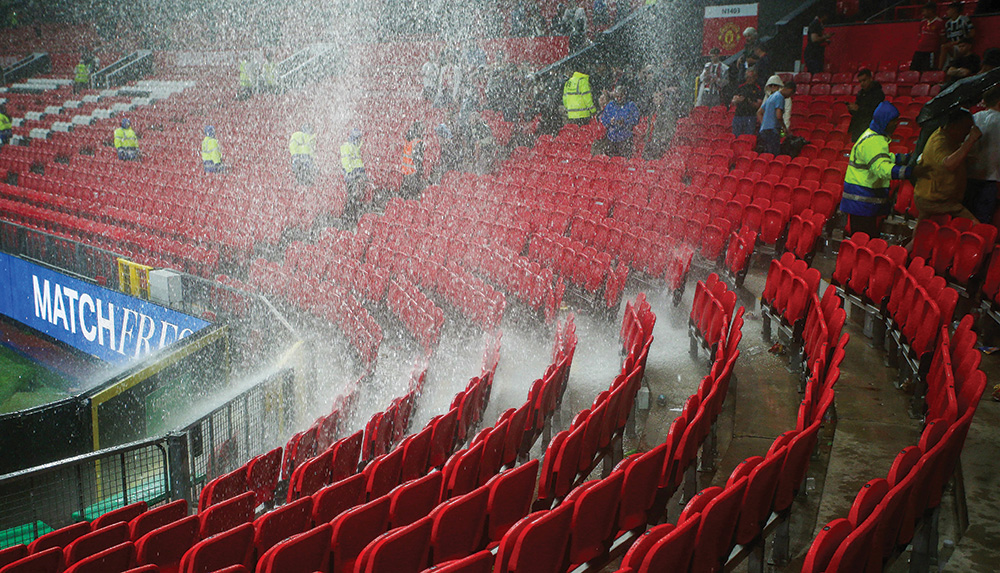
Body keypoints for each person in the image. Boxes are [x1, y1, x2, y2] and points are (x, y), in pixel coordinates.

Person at [840, 102, 916, 237]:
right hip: (864, 203)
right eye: (893, 121)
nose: (896, 125)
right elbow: (881, 168)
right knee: (865, 242)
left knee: (861, 241)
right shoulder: (874, 141)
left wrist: (900, 158)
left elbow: (876, 158)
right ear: (885, 121)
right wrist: (909, 171)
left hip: (861, 203)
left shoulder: (870, 135)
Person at [914, 108, 980, 220]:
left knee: (924, 229)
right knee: (975, 226)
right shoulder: (939, 141)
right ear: (955, 126)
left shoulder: (950, 138)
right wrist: (971, 140)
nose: (968, 132)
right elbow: (949, 165)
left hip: (938, 196)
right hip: (935, 200)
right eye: (966, 128)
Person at [965, 86, 1000, 223]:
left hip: (968, 176)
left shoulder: (974, 117)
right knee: (982, 221)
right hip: (991, 178)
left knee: (964, 219)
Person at [598, 86, 639, 157]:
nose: (619, 98)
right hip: (611, 138)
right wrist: (610, 121)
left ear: (624, 95)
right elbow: (603, 119)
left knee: (624, 160)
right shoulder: (610, 105)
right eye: (617, 96)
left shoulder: (630, 105)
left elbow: (636, 119)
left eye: (621, 96)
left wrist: (625, 122)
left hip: (625, 138)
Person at [756, 80, 795, 155]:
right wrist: (784, 127)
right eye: (791, 94)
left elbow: (759, 112)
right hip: (773, 131)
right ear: (789, 89)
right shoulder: (780, 98)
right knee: (774, 153)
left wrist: (764, 123)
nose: (789, 96)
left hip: (764, 130)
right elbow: (779, 116)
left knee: (767, 154)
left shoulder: (771, 96)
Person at [848, 68, 885, 142]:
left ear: (870, 79)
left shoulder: (878, 93)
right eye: (860, 81)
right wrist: (852, 109)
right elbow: (858, 111)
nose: (862, 83)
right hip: (858, 127)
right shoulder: (860, 93)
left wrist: (858, 109)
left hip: (870, 127)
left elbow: (874, 110)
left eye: (864, 80)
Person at [341, 128, 369, 222]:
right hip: (351, 177)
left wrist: (362, 174)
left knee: (355, 198)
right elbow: (346, 163)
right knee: (351, 198)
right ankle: (349, 217)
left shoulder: (356, 147)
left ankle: (353, 216)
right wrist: (353, 174)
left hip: (356, 176)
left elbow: (358, 162)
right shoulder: (347, 147)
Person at [912, 3, 945, 72]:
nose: (923, 13)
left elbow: (942, 38)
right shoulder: (923, 22)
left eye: (924, 11)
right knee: (914, 70)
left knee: (927, 71)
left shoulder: (939, 22)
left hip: (930, 51)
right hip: (919, 50)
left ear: (930, 11)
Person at [941, 1, 974, 67]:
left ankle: (940, 68)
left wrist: (963, 41)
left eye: (949, 9)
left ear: (954, 10)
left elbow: (972, 32)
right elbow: (947, 37)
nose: (947, 12)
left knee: (944, 47)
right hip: (953, 45)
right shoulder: (948, 23)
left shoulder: (964, 19)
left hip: (962, 44)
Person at [730, 67, 762, 137]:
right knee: (736, 136)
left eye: (751, 77)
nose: (749, 79)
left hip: (750, 116)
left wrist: (749, 101)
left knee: (748, 137)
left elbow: (759, 104)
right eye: (747, 77)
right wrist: (738, 100)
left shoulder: (758, 88)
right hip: (738, 115)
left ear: (755, 77)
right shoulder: (741, 86)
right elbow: (733, 100)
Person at [400, 121, 425, 197]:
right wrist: (420, 172)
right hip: (413, 174)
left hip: (405, 173)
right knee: (413, 198)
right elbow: (417, 160)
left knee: (406, 198)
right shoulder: (417, 142)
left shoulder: (407, 141)